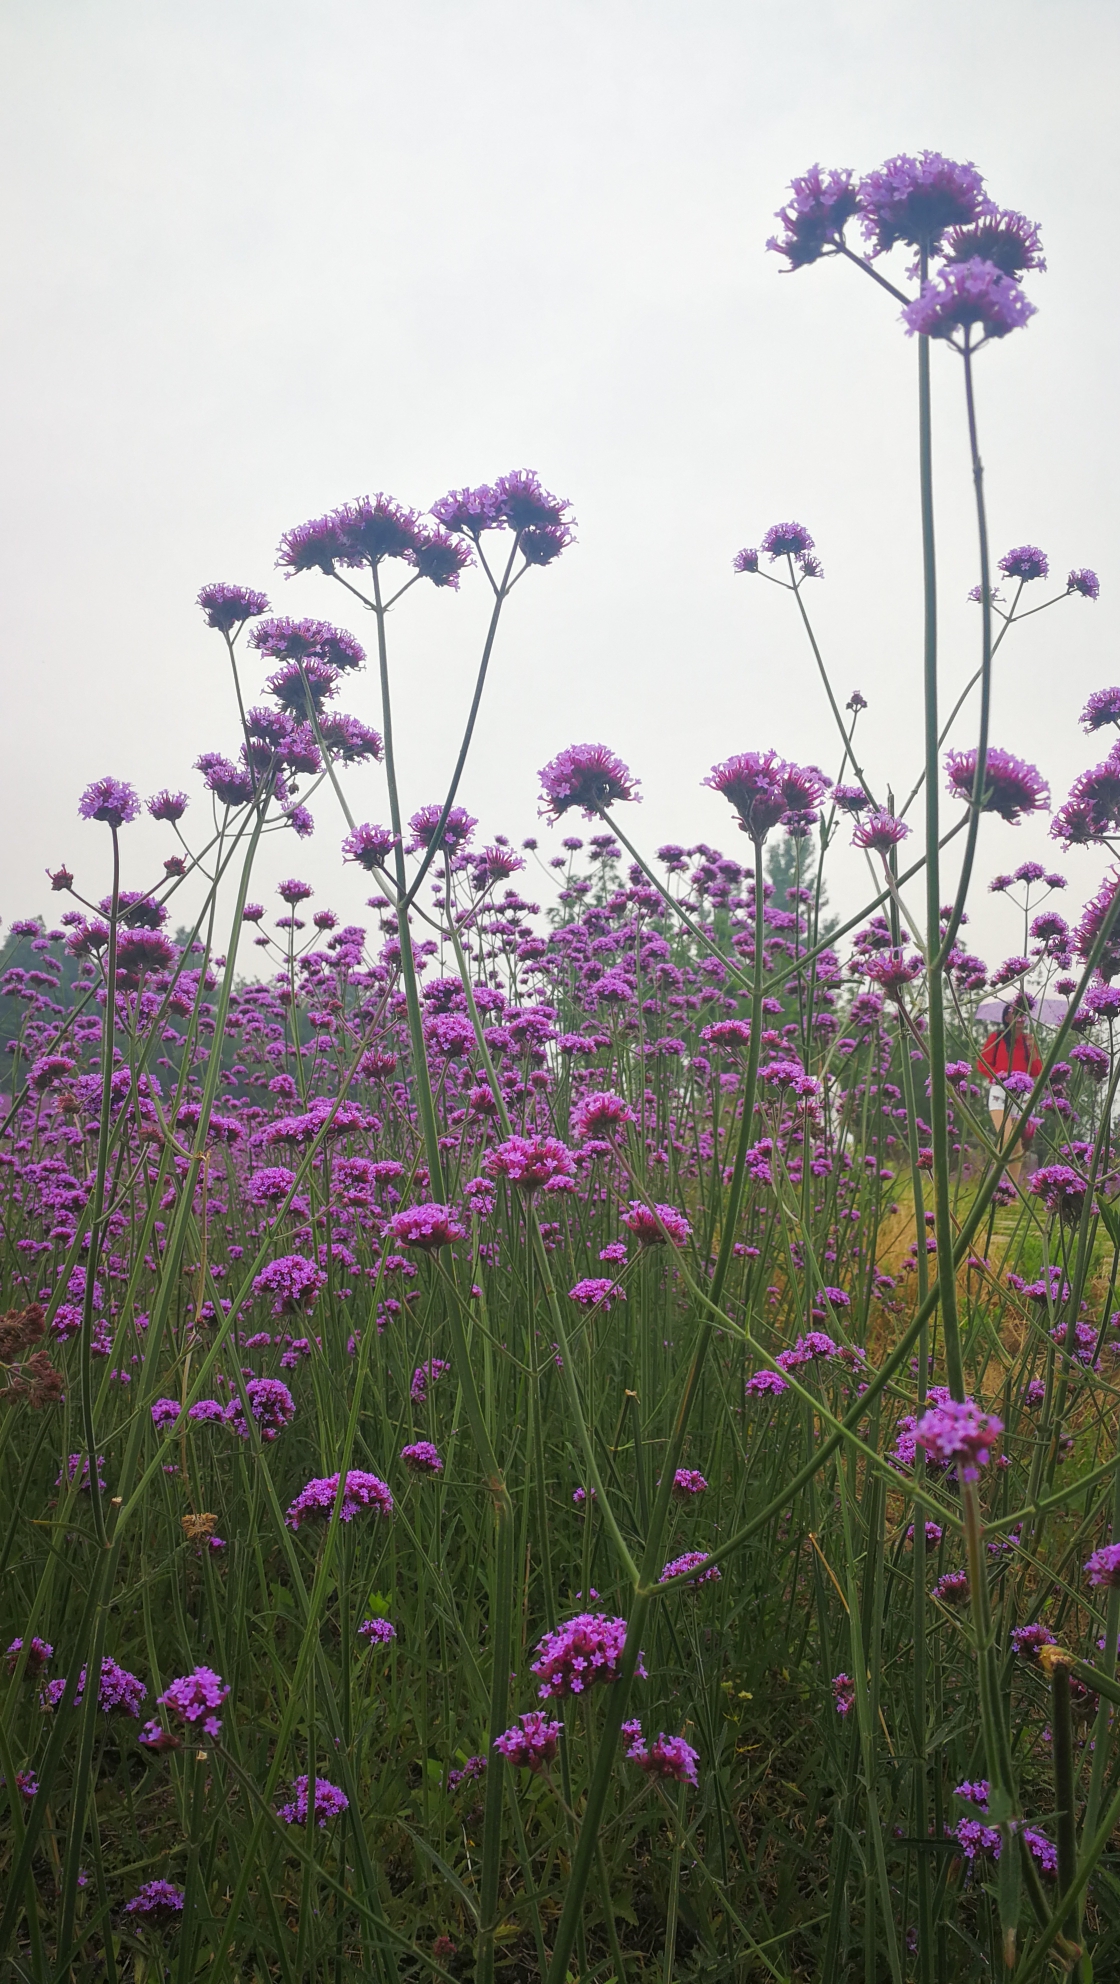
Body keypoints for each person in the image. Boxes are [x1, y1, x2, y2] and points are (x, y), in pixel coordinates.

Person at [977, 998, 1042, 1186]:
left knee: (1017, 1144)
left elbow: (1036, 1070)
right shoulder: (997, 1038)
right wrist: (1001, 1075)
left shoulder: (1028, 1041)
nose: (1020, 1018)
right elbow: (982, 1064)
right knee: (1005, 1137)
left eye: (1023, 1014)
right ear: (1007, 1017)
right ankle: (993, 1181)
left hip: (1022, 1094)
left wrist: (1032, 1049)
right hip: (1000, 1090)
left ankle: (1011, 1189)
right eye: (1016, 1013)